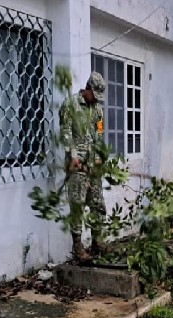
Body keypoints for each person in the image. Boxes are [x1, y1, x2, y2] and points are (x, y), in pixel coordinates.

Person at [60, 71, 107, 261]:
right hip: (77, 166)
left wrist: (99, 156)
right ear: (87, 88)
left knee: (98, 204)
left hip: (92, 166)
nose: (96, 99)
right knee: (77, 206)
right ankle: (78, 249)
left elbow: (100, 133)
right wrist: (72, 156)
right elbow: (65, 133)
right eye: (94, 95)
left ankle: (97, 242)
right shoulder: (70, 104)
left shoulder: (98, 110)